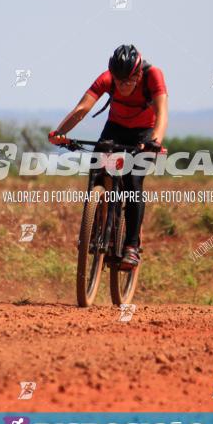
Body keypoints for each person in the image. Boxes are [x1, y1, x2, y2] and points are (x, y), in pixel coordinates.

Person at [48, 44, 168, 269]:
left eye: (129, 81)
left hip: (144, 133)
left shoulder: (153, 75)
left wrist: (156, 141)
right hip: (115, 128)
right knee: (97, 171)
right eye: (119, 80)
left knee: (133, 182)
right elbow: (82, 109)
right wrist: (61, 133)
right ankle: (95, 228)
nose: (123, 86)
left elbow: (162, 113)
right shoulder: (106, 78)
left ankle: (131, 246)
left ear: (138, 73)